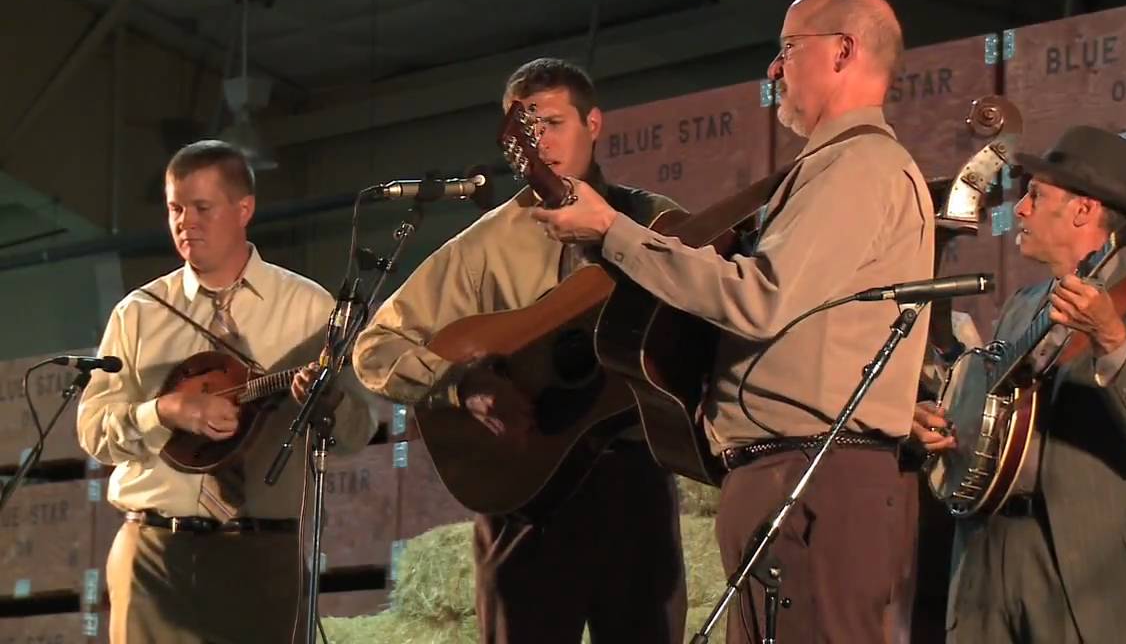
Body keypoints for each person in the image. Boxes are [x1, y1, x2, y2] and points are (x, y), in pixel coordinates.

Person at [535, 0, 934, 642]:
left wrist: (613, 230)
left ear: (843, 50)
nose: (773, 71)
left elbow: (759, 297)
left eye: (787, 49)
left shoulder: (860, 165)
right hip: (795, 478)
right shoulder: (833, 169)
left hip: (814, 480)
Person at [351, 57, 688, 644]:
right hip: (527, 493)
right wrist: (460, 384)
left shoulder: (654, 221)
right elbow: (377, 346)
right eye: (527, 132)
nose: (543, 144)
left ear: (594, 123)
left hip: (636, 482)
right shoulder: (482, 247)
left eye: (554, 123)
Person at [77, 141, 379, 644]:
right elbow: (93, 431)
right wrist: (164, 412)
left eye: (202, 208)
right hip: (153, 554)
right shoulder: (139, 313)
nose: (185, 222)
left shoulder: (308, 308)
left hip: (261, 555)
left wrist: (324, 403)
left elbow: (356, 431)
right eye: (175, 208)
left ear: (244, 209)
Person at [912, 125, 1126, 644]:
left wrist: (1111, 338)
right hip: (988, 559)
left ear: (1083, 211)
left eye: (1036, 195)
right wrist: (946, 430)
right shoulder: (1022, 306)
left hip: (1089, 576)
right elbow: (1001, 431)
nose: (1019, 209)